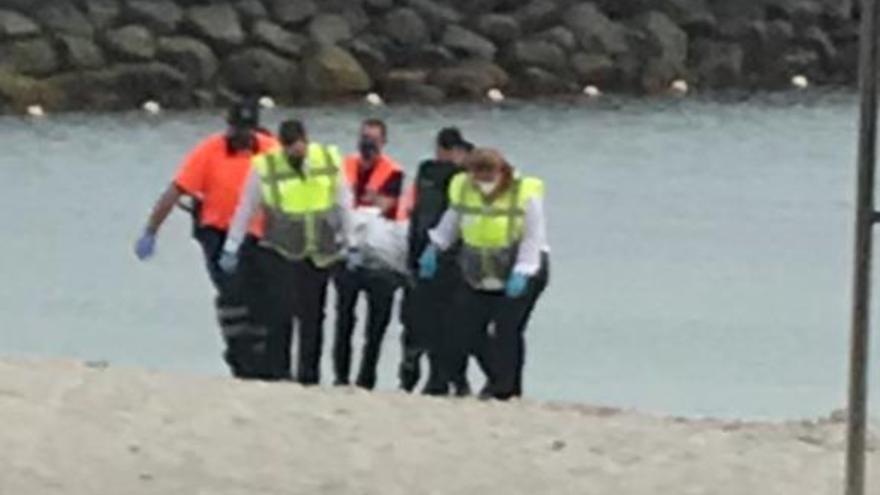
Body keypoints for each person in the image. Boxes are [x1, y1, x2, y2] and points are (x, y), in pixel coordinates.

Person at [134, 101, 278, 379]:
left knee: (263, 299)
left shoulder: (271, 150)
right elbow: (175, 191)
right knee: (232, 293)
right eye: (236, 129)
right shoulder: (209, 151)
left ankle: (262, 360)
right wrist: (151, 230)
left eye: (247, 130)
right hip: (218, 233)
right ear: (229, 127)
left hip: (259, 234)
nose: (241, 136)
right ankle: (238, 355)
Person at [218, 120, 350, 384]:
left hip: (319, 251)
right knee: (281, 312)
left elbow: (343, 201)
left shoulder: (327, 159)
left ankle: (309, 375)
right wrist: (231, 246)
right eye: (290, 148)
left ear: (307, 141)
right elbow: (246, 208)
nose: (296, 153)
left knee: (314, 315)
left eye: (299, 147)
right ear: (282, 145)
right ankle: (281, 372)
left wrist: (350, 240)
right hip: (281, 250)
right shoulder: (265, 167)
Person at [419, 148, 550, 400]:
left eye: (487, 177)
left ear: (501, 172)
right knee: (466, 328)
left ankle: (508, 390)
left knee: (507, 329)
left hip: (523, 267)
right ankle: (495, 377)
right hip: (480, 268)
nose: (482, 183)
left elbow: (533, 238)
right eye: (477, 176)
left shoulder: (524, 193)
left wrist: (523, 271)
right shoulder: (466, 189)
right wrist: (434, 247)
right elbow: (451, 223)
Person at [398, 127, 472, 395]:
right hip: (444, 257)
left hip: (423, 254)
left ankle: (427, 376)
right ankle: (444, 378)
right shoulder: (451, 177)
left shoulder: (426, 173)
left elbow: (418, 218)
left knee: (424, 323)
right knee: (441, 322)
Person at [333, 118, 405, 389]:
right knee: (344, 318)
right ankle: (341, 376)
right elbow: (340, 203)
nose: (368, 144)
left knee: (376, 324)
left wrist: (365, 201)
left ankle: (367, 377)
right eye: (364, 138)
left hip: (380, 257)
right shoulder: (344, 166)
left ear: (383, 142)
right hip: (346, 252)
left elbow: (385, 205)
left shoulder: (393, 171)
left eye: (373, 139)